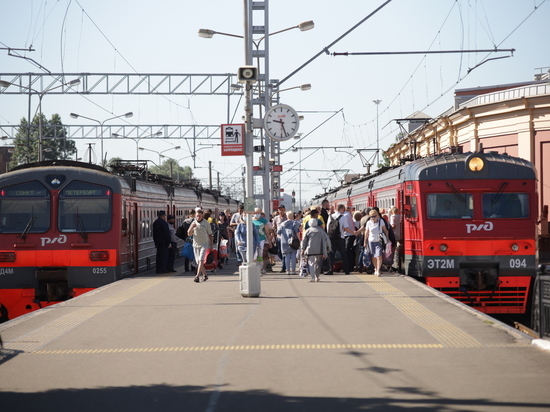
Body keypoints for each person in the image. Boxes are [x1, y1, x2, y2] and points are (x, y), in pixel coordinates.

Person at [327, 204, 356, 275]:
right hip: (340, 238)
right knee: (343, 254)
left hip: (331, 238)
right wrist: (353, 233)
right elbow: (346, 228)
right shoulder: (343, 217)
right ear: (342, 209)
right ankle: (346, 270)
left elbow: (328, 227)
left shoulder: (330, 216)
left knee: (332, 253)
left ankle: (331, 270)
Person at [301, 218, 331, 282]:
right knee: (318, 263)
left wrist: (302, 249)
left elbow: (304, 241)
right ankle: (317, 276)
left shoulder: (308, 231)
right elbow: (327, 239)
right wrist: (329, 248)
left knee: (311, 263)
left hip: (310, 250)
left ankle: (312, 277)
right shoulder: (321, 231)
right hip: (320, 250)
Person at [188, 209, 214, 283]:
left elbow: (210, 234)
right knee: (198, 262)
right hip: (195, 244)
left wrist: (211, 245)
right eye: (197, 216)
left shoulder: (206, 223)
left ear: (202, 216)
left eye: (199, 216)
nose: (198, 217)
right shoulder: (193, 223)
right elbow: (189, 234)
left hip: (204, 244)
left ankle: (197, 276)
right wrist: (191, 227)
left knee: (200, 260)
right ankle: (205, 275)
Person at [363, 209, 389, 276]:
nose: (373, 218)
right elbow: (366, 232)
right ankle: (375, 268)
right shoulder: (368, 223)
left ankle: (378, 270)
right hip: (371, 241)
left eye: (374, 216)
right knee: (373, 256)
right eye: (371, 216)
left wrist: (387, 239)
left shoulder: (381, 221)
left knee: (379, 255)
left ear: (377, 215)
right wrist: (365, 242)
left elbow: (385, 230)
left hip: (379, 240)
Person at [252, 207, 269, 274]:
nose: (257, 214)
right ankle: (254, 268)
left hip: (261, 239)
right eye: (256, 213)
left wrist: (269, 241)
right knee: (254, 255)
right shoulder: (250, 220)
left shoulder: (263, 220)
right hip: (253, 240)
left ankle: (260, 268)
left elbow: (267, 232)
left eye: (258, 213)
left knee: (260, 254)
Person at [272, 205, 288, 272]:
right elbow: (274, 227)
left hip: (285, 237)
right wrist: (272, 236)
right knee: (279, 252)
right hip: (278, 237)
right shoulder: (276, 218)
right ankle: (284, 262)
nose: (281, 211)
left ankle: (283, 266)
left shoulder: (287, 217)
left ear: (284, 210)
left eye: (282, 209)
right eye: (279, 209)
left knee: (284, 252)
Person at [389, 207, 402, 272]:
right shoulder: (400, 216)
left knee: (393, 247)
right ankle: (399, 257)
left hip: (394, 233)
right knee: (399, 245)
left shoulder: (392, 217)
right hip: (400, 233)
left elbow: (393, 225)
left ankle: (394, 261)